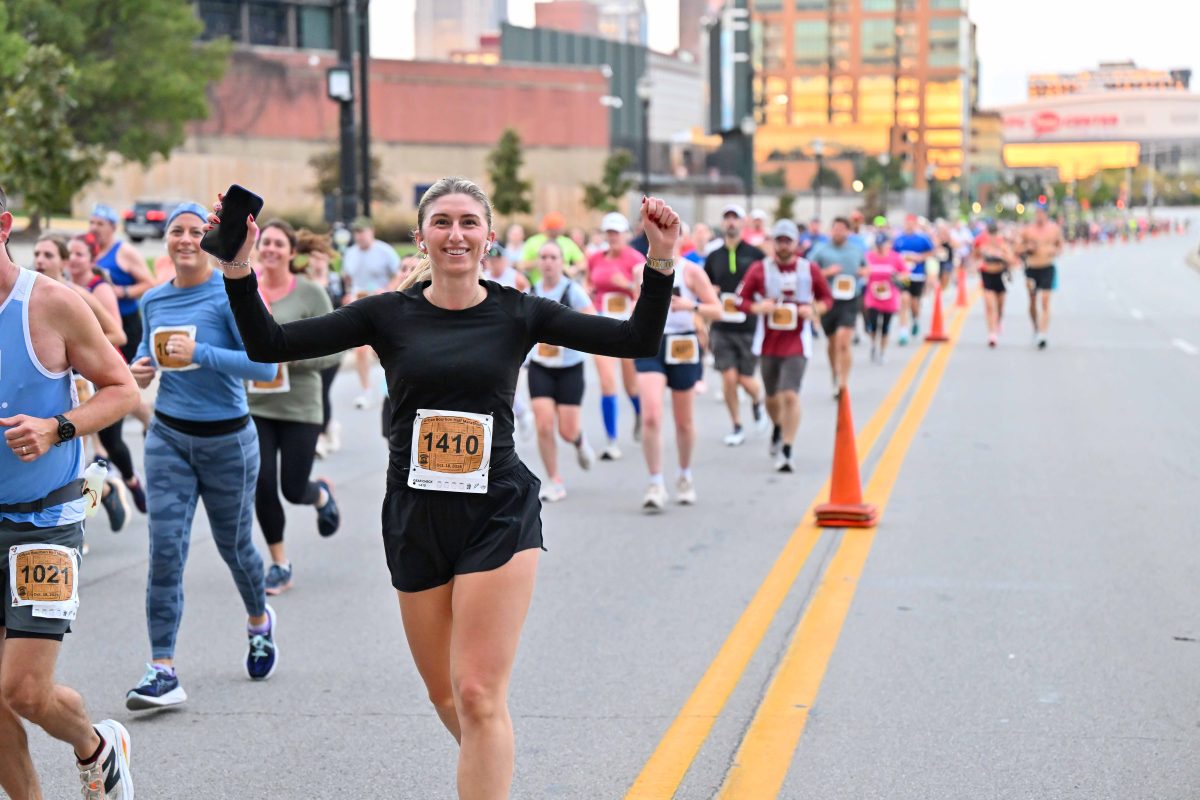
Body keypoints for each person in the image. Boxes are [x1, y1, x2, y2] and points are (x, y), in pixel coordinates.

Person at [216, 178, 676, 800]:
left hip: (498, 512)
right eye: (442, 222)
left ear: (488, 238)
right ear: (421, 237)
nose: (455, 234)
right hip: (415, 513)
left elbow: (634, 340)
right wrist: (237, 268)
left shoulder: (521, 312)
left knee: (479, 693)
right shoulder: (386, 314)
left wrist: (660, 260)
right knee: (447, 697)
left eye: (467, 223)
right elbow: (269, 343)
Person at [0, 184, 138, 799]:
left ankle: (96, 747)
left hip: (45, 520)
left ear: (4, 226)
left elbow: (121, 388)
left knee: (24, 692)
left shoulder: (51, 303)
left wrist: (56, 427)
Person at [124, 202, 280, 711]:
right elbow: (145, 353)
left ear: (208, 241)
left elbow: (266, 368)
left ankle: (259, 621)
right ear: (166, 241)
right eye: (177, 231)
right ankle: (162, 668)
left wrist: (201, 355)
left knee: (234, 547)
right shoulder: (153, 300)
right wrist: (139, 368)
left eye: (196, 231)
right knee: (165, 551)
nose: (186, 239)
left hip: (228, 441)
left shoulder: (228, 294)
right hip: (168, 437)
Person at [246, 220, 344, 596]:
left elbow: (335, 350)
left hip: (301, 406)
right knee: (262, 483)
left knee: (292, 487)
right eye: (266, 242)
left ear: (291, 251)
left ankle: (320, 494)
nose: (270, 249)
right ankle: (279, 564)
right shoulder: (246, 289)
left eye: (278, 243)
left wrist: (291, 358)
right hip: (256, 405)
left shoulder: (310, 293)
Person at [34, 234, 130, 534]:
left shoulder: (77, 296)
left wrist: (71, 348)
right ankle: (106, 491)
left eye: (48, 255)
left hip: (77, 387)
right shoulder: (28, 295)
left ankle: (79, 525)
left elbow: (118, 335)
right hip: (41, 387)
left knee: (71, 463)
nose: (40, 260)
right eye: (37, 254)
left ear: (64, 262)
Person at [634, 234, 722, 509]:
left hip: (683, 343)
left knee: (683, 420)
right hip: (651, 343)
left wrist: (691, 307)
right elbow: (635, 307)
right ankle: (655, 482)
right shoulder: (640, 270)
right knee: (651, 416)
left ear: (680, 239)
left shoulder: (691, 272)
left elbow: (717, 310)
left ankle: (684, 475)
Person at [736, 219, 832, 472]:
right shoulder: (759, 269)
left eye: (788, 241)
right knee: (772, 397)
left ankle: (787, 449)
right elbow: (740, 300)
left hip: (797, 342)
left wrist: (813, 310)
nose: (783, 245)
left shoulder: (809, 269)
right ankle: (777, 426)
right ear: (773, 243)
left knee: (789, 394)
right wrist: (759, 307)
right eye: (779, 240)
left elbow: (826, 298)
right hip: (768, 342)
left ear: (796, 243)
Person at [67, 234, 149, 518]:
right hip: (74, 376)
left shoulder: (97, 289)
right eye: (70, 253)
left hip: (102, 370)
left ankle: (130, 482)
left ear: (92, 259)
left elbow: (117, 335)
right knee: (82, 444)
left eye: (79, 254)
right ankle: (96, 498)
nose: (74, 259)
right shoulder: (51, 287)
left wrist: (76, 346)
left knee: (110, 441)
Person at [527, 241, 597, 502]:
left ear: (562, 262)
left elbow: (592, 320)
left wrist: (569, 333)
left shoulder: (572, 291)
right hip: (541, 367)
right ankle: (554, 480)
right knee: (544, 425)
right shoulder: (531, 292)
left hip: (570, 367)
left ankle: (579, 440)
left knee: (567, 431)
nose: (547, 262)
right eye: (543, 257)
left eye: (553, 257)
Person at [703, 204, 767, 446]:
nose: (731, 222)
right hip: (722, 326)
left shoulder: (755, 254)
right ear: (722, 223)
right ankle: (737, 425)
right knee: (729, 377)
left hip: (748, 324)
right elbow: (705, 286)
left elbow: (766, 285)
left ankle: (758, 401)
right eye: (727, 218)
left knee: (745, 378)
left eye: (735, 218)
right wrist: (711, 291)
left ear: (743, 223)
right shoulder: (714, 256)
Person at [585, 212, 645, 459]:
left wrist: (627, 286)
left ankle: (640, 413)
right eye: (609, 232)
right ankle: (611, 441)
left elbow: (646, 295)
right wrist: (589, 291)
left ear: (626, 234)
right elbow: (589, 283)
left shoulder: (636, 259)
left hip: (628, 327)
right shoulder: (595, 258)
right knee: (607, 381)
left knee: (631, 385)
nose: (612, 237)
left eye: (617, 233)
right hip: (602, 325)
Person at [292, 229, 345, 458]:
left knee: (323, 389)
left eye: (322, 257)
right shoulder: (302, 280)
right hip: (310, 343)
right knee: (317, 389)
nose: (318, 261)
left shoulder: (335, 280)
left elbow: (344, 306)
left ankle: (321, 435)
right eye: (314, 256)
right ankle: (328, 427)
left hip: (333, 344)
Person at [341, 216, 401, 408]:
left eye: (362, 231)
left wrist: (387, 290)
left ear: (371, 231)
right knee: (360, 350)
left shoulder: (385, 251)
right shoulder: (350, 253)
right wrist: (348, 295)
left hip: (383, 306)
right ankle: (366, 392)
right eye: (356, 232)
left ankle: (393, 388)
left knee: (385, 350)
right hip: (359, 307)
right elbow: (348, 279)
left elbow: (398, 274)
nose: (359, 236)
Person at [89, 203, 155, 364]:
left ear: (112, 227)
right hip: (97, 322)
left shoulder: (124, 251)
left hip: (126, 323)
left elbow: (149, 283)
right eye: (92, 223)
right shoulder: (89, 251)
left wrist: (122, 292)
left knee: (127, 371)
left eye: (100, 224)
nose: (94, 228)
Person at [809, 217, 866, 394]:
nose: (838, 232)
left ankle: (843, 383)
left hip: (850, 299)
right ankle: (835, 372)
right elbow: (808, 271)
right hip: (828, 300)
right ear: (831, 230)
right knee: (833, 341)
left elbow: (866, 268)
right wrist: (827, 272)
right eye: (836, 229)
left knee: (843, 341)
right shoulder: (821, 249)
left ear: (848, 231)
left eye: (842, 229)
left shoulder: (856, 250)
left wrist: (863, 272)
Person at [1020, 205, 1063, 349]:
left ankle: (1042, 334)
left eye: (1042, 213)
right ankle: (1035, 327)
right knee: (1032, 300)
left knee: (1045, 300)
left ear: (1046, 214)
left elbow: (1060, 246)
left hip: (1047, 267)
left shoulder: (1054, 229)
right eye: (1037, 213)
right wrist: (1027, 248)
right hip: (1031, 268)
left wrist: (1055, 250)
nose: (1039, 215)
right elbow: (1017, 248)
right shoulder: (1028, 230)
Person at [863, 232, 907, 363]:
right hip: (873, 296)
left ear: (889, 245)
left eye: (883, 245)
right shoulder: (868, 257)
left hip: (889, 296)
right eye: (878, 245)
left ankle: (882, 352)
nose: (880, 248)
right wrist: (864, 274)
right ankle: (873, 344)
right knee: (873, 324)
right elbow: (861, 270)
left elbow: (905, 273)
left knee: (885, 326)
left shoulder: (895, 257)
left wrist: (898, 277)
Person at [892, 214, 934, 344]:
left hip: (917, 274)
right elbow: (893, 254)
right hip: (904, 275)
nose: (909, 226)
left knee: (914, 303)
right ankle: (903, 332)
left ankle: (915, 319)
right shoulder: (899, 239)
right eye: (907, 223)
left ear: (915, 225)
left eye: (911, 224)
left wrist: (920, 257)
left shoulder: (922, 239)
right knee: (904, 300)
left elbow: (931, 251)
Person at [974, 220, 1017, 348]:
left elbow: (1012, 260)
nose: (992, 237)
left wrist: (1001, 255)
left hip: (1000, 276)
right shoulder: (983, 246)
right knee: (989, 306)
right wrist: (978, 262)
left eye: (994, 234)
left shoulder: (1003, 245)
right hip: (987, 275)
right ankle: (992, 334)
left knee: (1000, 306)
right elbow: (975, 256)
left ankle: (998, 321)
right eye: (990, 234)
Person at [521, 212, 585, 281]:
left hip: (563, 284)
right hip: (538, 284)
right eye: (553, 228)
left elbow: (583, 263)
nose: (558, 230)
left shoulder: (567, 242)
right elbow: (522, 265)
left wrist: (574, 269)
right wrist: (540, 262)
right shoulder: (533, 242)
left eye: (559, 227)